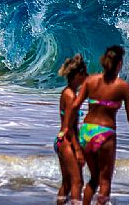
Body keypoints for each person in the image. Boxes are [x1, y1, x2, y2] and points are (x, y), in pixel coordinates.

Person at [63, 45, 129, 205]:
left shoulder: (90, 81)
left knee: (93, 179)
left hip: (86, 132)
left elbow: (74, 106)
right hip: (105, 135)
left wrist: (66, 128)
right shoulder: (123, 87)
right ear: (119, 64)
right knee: (105, 181)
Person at [55, 54, 87, 205]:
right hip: (68, 141)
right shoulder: (71, 96)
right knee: (77, 182)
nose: (87, 76)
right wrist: (78, 150)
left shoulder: (66, 92)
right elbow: (69, 127)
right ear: (78, 75)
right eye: (85, 73)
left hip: (61, 140)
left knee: (67, 184)